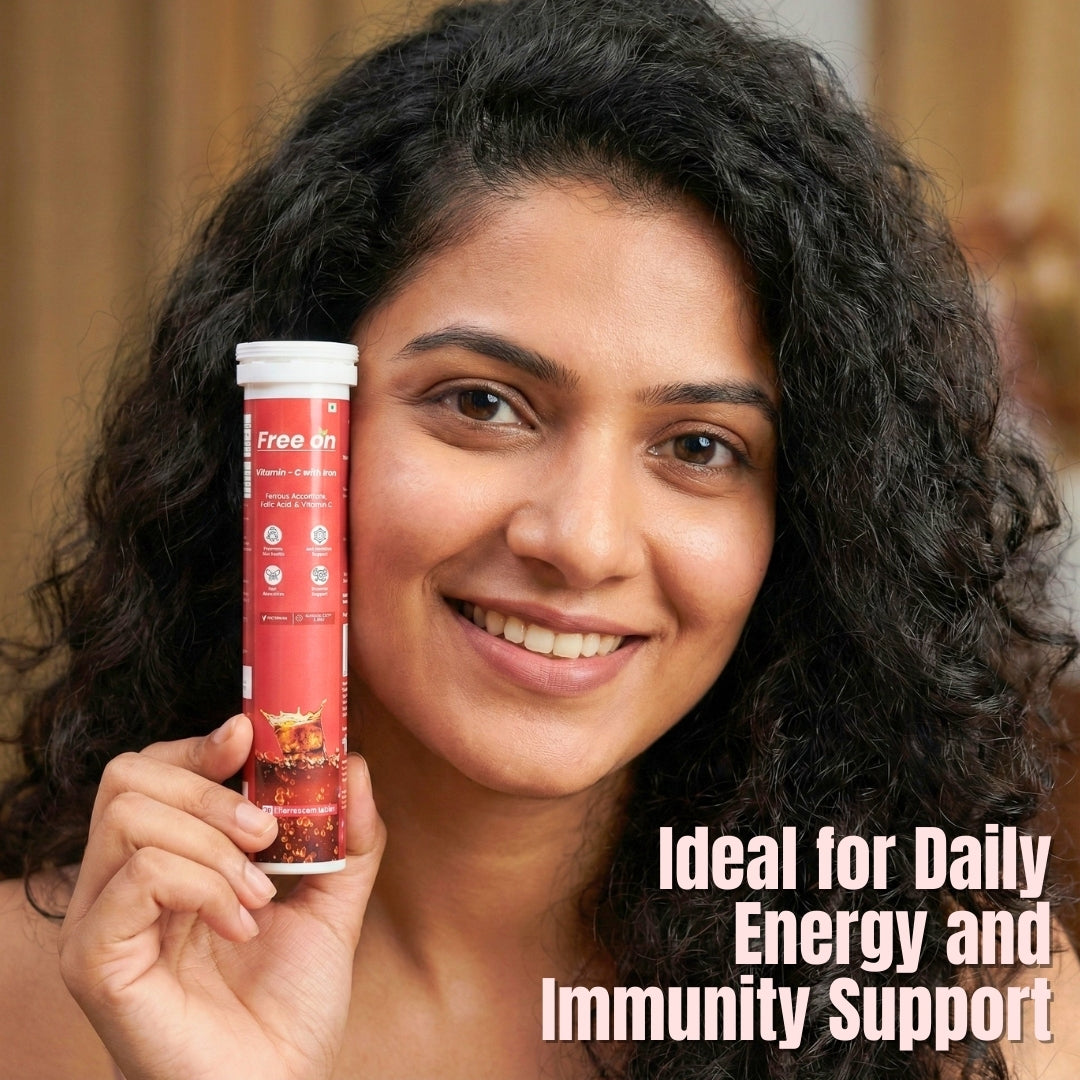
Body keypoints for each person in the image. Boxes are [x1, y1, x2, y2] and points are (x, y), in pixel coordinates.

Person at [1, 1, 1078, 1077]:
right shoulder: (40, 999)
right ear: (294, 430)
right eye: (482, 404)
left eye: (699, 447)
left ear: (812, 521)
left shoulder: (968, 1012)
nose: (582, 539)